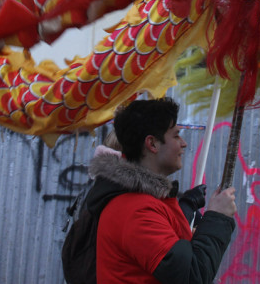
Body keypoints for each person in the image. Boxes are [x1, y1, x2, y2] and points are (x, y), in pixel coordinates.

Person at [89, 97, 237, 283]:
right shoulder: (137, 211)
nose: (183, 143)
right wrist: (217, 218)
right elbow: (191, 276)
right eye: (176, 135)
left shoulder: (148, 201)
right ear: (152, 144)